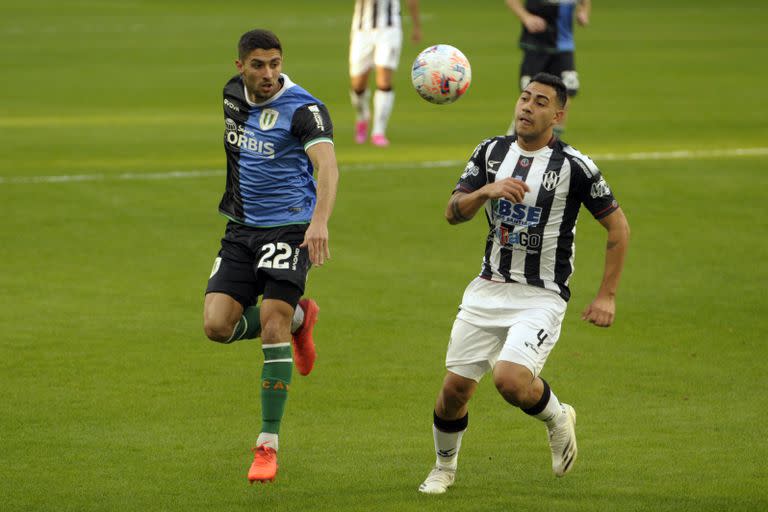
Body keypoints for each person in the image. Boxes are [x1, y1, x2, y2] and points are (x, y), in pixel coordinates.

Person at [418, 72, 629, 494]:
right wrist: (486, 192)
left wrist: (607, 294)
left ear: (558, 114)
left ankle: (557, 418)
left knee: (511, 381)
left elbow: (618, 229)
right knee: (453, 392)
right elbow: (452, 212)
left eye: (540, 102)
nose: (527, 107)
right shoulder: (490, 152)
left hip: (541, 295)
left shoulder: (575, 166)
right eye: (524, 97)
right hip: (487, 287)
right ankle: (444, 469)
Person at [203, 29, 339, 484]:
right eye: (258, 65)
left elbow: (327, 165)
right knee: (217, 327)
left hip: (290, 228)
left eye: (275, 63)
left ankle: (267, 445)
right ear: (240, 65)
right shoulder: (230, 94)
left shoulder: (305, 109)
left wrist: (318, 222)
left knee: (273, 325)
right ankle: (303, 319)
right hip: (241, 229)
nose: (268, 73)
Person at [504, 0, 591, 136]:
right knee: (531, 98)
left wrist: (583, 11)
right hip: (536, 46)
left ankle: (550, 146)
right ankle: (514, 139)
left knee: (564, 99)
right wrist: (526, 17)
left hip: (564, 46)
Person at [349, 0, 421, 147]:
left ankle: (378, 132)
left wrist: (416, 25)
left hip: (389, 30)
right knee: (358, 85)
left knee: (384, 81)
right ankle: (362, 116)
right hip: (362, 31)